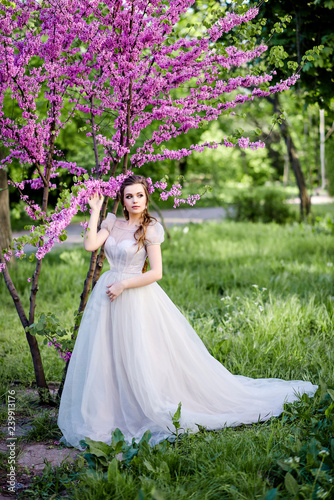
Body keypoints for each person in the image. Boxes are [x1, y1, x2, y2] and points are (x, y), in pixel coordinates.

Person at [58, 175, 318, 449]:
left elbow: (157, 273)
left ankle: (144, 404)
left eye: (140, 196)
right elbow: (90, 245)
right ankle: (107, 411)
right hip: (107, 296)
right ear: (122, 201)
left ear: (147, 199)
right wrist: (96, 211)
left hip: (134, 295)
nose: (135, 201)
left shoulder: (151, 228)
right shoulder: (112, 222)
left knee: (139, 352)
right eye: (129, 196)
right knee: (107, 355)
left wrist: (123, 284)